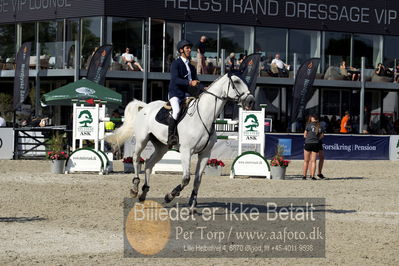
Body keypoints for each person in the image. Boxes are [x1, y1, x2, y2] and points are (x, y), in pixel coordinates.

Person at [167, 40, 200, 147]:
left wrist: (205, 87)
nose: (189, 50)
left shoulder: (191, 67)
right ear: (181, 50)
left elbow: (196, 81)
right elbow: (175, 79)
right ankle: (171, 137)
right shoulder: (176, 63)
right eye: (187, 48)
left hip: (188, 94)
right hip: (175, 93)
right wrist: (190, 82)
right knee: (176, 111)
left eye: (190, 48)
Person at [303, 114, 324, 180]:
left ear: (312, 118)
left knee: (306, 161)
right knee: (313, 161)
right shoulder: (320, 126)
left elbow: (304, 135)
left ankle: (304, 176)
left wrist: (308, 139)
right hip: (316, 143)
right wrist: (317, 139)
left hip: (308, 143)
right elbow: (322, 135)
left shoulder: (308, 125)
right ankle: (312, 176)